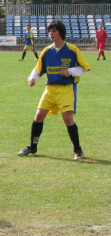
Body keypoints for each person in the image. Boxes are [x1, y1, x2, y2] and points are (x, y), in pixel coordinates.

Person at [17, 20, 91, 160]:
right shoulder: (47, 51)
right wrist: (32, 78)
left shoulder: (72, 49)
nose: (51, 34)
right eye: (49, 31)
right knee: (39, 115)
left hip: (66, 89)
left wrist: (70, 71)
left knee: (68, 118)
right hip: (50, 89)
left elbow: (84, 67)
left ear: (61, 33)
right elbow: (38, 69)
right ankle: (32, 146)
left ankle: (78, 150)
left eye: (54, 31)